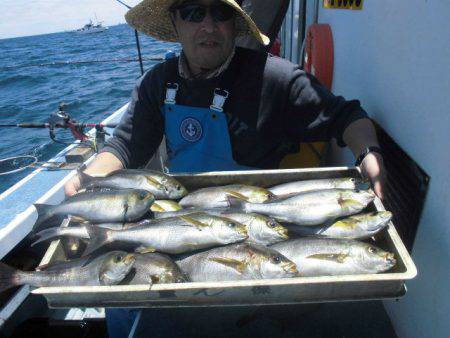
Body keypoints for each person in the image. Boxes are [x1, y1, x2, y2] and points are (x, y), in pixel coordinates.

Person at [65, 0, 385, 336]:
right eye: (192, 12)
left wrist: (369, 153)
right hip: (180, 221)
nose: (208, 25)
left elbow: (347, 117)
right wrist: (91, 175)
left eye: (221, 13)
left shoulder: (274, 78)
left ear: (235, 24)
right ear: (175, 23)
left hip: (256, 235)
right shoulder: (158, 83)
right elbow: (125, 146)